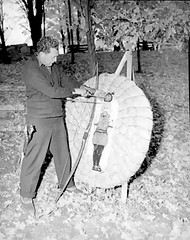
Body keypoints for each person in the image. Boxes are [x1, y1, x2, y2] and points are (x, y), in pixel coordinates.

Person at [20, 36, 96, 216]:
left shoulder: (54, 67)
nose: (56, 60)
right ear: (42, 53)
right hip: (39, 119)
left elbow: (69, 83)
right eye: (53, 56)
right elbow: (52, 91)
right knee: (35, 158)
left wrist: (86, 89)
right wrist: (74, 92)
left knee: (63, 152)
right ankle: (26, 195)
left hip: (56, 117)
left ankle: (67, 184)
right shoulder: (30, 69)